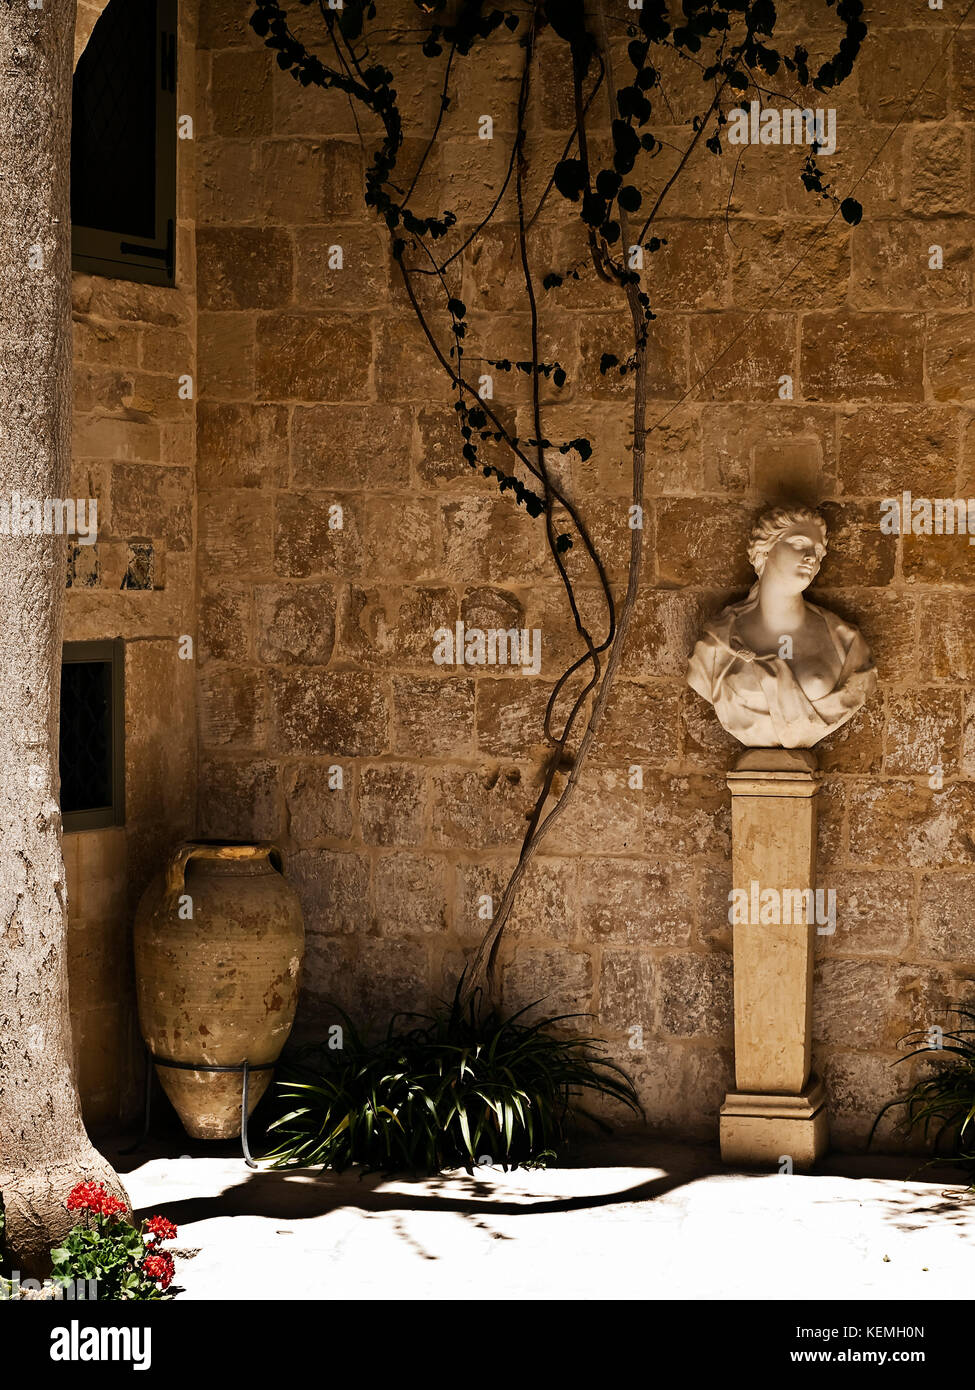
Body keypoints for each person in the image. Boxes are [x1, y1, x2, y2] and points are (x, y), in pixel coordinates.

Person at [686, 507, 877, 749]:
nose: (811, 556)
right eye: (799, 543)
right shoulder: (715, 644)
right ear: (764, 549)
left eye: (818, 551)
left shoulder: (848, 644)